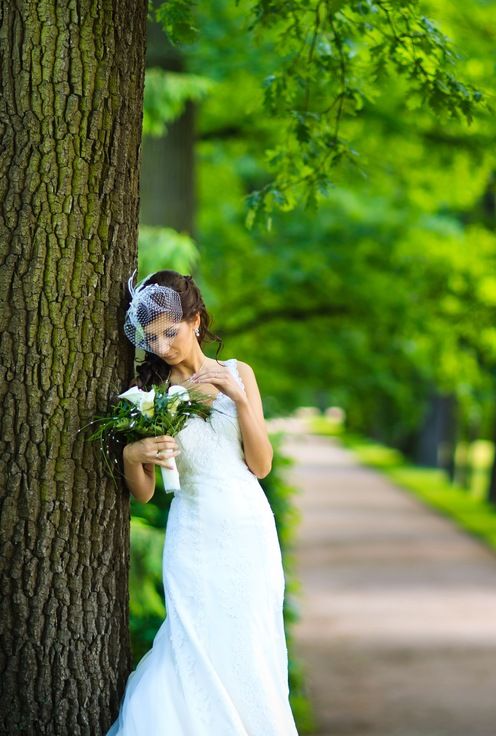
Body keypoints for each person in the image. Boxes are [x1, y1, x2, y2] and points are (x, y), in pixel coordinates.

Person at [106, 269, 299, 736]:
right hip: (194, 534)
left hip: (249, 530)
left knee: (251, 642)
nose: (163, 346)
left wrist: (239, 398)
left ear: (195, 320)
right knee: (194, 641)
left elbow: (262, 464)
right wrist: (133, 454)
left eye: (170, 332)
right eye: (151, 338)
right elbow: (146, 492)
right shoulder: (150, 398)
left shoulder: (239, 373)